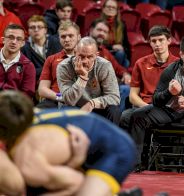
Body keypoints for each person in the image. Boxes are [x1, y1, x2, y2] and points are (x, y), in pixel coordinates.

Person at [0, 90, 136, 195]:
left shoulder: (27, 158)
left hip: (113, 148)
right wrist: (76, 161)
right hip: (88, 137)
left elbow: (75, 182)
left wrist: (76, 162)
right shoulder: (20, 113)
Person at [129, 35, 184, 174]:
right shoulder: (170, 71)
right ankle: (135, 164)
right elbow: (156, 100)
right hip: (168, 112)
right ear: (181, 54)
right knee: (137, 116)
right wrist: (169, 92)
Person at [119, 25, 178, 130]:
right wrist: (147, 107)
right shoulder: (141, 63)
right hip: (145, 106)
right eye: (154, 41)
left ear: (169, 40)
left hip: (168, 109)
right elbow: (133, 96)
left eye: (161, 40)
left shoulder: (179, 64)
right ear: (150, 43)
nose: (157, 44)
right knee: (125, 116)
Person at [57, 36, 121, 124]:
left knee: (114, 110)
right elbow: (69, 100)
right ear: (75, 53)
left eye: (90, 57)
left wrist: (91, 104)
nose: (85, 61)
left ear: (96, 55)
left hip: (97, 107)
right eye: (81, 56)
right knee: (66, 109)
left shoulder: (104, 65)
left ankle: (108, 137)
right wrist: (82, 78)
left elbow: (114, 98)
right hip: (75, 107)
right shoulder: (64, 66)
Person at [88, 18, 131, 112]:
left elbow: (118, 68)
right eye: (99, 30)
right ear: (91, 30)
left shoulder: (105, 51)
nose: (102, 33)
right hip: (89, 88)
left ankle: (117, 121)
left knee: (126, 89)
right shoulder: (83, 46)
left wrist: (125, 74)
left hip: (105, 87)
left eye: (105, 32)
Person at [37, 21, 81, 108]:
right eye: (63, 36)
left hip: (80, 100)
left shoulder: (87, 58)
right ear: (59, 39)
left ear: (79, 37)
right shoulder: (51, 59)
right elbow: (42, 90)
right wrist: (61, 97)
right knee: (37, 111)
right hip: (56, 99)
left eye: (70, 36)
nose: (67, 39)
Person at [21, 15, 62, 81]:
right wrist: (49, 69)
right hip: (35, 82)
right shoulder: (24, 47)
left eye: (39, 27)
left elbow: (58, 66)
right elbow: (27, 71)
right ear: (28, 31)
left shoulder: (55, 42)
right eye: (32, 27)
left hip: (56, 80)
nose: (36, 30)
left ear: (45, 30)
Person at [0, 24, 36, 98]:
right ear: (3, 40)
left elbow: (27, 93)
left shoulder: (28, 66)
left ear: (23, 43)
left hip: (14, 105)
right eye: (11, 37)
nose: (14, 42)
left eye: (18, 39)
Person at [100, 0, 130, 68]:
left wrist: (122, 48)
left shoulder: (121, 25)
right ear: (104, 9)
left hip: (118, 54)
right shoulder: (99, 23)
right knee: (122, 59)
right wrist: (112, 47)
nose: (111, 9)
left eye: (113, 7)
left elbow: (126, 45)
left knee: (125, 60)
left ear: (117, 11)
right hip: (103, 53)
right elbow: (96, 43)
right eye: (108, 7)